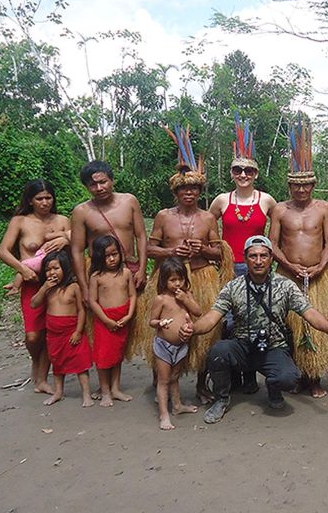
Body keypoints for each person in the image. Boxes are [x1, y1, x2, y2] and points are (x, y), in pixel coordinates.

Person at [129, 127, 233, 403]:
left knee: (203, 334)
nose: (190, 192)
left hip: (202, 277)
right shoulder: (164, 216)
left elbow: (219, 253)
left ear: (200, 191)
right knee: (164, 328)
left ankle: (201, 383)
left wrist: (204, 249)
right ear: (176, 191)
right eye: (184, 188)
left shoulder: (208, 218)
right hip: (168, 280)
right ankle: (160, 379)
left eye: (194, 188)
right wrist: (172, 251)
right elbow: (149, 249)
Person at [193, 235, 328, 424]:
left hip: (274, 347)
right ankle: (221, 399)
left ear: (271, 259)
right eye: (253, 256)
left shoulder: (285, 286)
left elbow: (309, 312)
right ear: (246, 258)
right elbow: (211, 318)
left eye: (263, 256)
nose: (258, 261)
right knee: (218, 352)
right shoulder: (233, 287)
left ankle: (273, 387)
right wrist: (192, 328)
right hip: (242, 347)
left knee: (289, 378)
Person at [270, 117, 328, 398]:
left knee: (315, 324)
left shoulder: (324, 208)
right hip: (287, 276)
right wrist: (289, 265)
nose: (301, 190)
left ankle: (314, 379)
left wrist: (321, 265)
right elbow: (272, 243)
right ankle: (295, 376)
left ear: (313, 185)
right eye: (296, 186)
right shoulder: (279, 209)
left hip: (317, 275)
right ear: (290, 187)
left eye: (306, 186)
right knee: (290, 328)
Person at [209, 114, 276, 393]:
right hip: (229, 269)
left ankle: (251, 374)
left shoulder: (267, 200)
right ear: (232, 173)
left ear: (256, 174)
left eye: (248, 171)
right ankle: (232, 375)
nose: (243, 175)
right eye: (238, 170)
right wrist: (216, 251)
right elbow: (208, 224)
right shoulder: (222, 200)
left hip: (258, 267)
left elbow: (280, 230)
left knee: (256, 321)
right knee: (230, 323)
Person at [0, 179, 70, 395]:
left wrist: (66, 240)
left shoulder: (63, 220)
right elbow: (3, 251)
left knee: (50, 330)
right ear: (30, 200)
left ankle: (42, 377)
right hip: (31, 284)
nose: (45, 202)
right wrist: (22, 269)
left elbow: (79, 242)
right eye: (40, 198)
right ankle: (36, 361)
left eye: (49, 198)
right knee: (32, 335)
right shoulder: (20, 221)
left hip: (58, 283)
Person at [70, 160, 148, 304]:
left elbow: (141, 236)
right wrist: (84, 286)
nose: (99, 188)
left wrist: (142, 269)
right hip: (100, 272)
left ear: (112, 180)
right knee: (104, 318)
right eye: (93, 185)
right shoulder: (81, 212)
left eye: (103, 182)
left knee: (134, 315)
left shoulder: (130, 201)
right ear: (87, 187)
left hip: (129, 267)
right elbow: (77, 250)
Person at [149, 256, 205, 430]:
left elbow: (198, 311)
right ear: (164, 281)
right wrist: (160, 324)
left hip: (181, 345)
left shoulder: (186, 294)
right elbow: (152, 321)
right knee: (164, 380)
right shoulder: (161, 299)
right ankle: (164, 415)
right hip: (164, 346)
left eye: (180, 279)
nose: (177, 284)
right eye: (172, 280)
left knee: (175, 377)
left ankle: (178, 405)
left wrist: (186, 299)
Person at [31, 250, 92, 407]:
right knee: (57, 363)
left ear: (65, 268)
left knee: (80, 364)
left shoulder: (73, 287)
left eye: (56, 268)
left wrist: (79, 331)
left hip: (72, 331)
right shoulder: (48, 289)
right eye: (48, 269)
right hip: (53, 334)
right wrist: (44, 288)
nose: (52, 272)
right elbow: (34, 303)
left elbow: (81, 310)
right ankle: (58, 392)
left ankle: (86, 394)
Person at [88, 234, 136, 407]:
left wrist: (129, 315)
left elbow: (132, 295)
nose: (112, 259)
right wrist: (106, 320)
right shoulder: (96, 277)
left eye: (114, 254)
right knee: (103, 356)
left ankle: (115, 388)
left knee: (117, 355)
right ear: (100, 257)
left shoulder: (126, 273)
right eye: (107, 256)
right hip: (104, 321)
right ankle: (105, 391)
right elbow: (93, 301)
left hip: (123, 319)